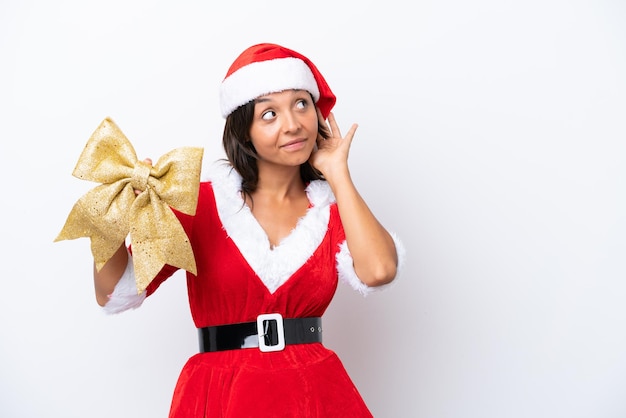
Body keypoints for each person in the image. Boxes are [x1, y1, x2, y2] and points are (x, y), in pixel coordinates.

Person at [93, 43, 405, 417]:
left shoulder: (331, 210)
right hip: (221, 393)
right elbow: (115, 292)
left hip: (314, 393)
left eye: (302, 104)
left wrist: (338, 174)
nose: (293, 124)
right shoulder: (200, 204)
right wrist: (110, 217)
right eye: (269, 113)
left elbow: (379, 271)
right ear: (244, 132)